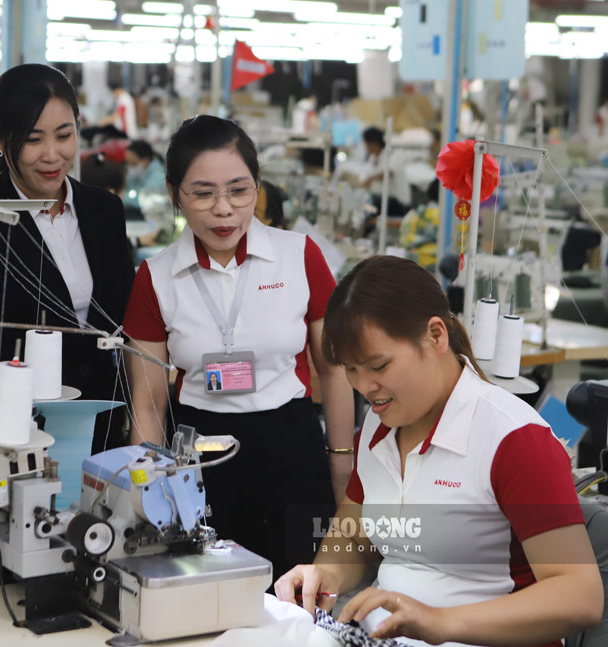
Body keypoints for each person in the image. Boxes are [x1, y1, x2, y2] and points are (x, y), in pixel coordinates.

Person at [274, 255, 603, 647]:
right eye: (350, 370)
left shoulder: (513, 439)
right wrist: (323, 575)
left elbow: (580, 597)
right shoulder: (379, 429)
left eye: (378, 365)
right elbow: (354, 539)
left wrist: (439, 622)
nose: (364, 386)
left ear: (435, 336)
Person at [123, 115, 354, 582]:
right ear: (175, 195)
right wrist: (143, 490)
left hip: (291, 446)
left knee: (301, 597)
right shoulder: (156, 277)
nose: (224, 209)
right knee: (207, 596)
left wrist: (342, 458)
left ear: (257, 188)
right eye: (203, 193)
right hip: (199, 459)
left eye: (239, 190)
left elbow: (334, 370)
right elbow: (148, 404)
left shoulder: (300, 255)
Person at [0, 63, 134, 454]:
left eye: (64, 135)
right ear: (2, 141)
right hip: (9, 434)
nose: (52, 155)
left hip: (101, 426)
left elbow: (125, 321)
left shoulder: (104, 211)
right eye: (34, 139)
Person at [358, 126, 410, 217]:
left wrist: (370, 179)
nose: (366, 148)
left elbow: (389, 173)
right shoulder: (373, 158)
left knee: (368, 207)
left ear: (373, 144)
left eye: (366, 144)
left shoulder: (392, 155)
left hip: (398, 204)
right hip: (381, 201)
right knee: (363, 205)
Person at [123, 139, 166, 213]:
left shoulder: (157, 178)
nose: (130, 167)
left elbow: (144, 201)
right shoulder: (142, 174)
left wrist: (121, 197)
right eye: (128, 163)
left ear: (145, 160)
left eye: (132, 163)